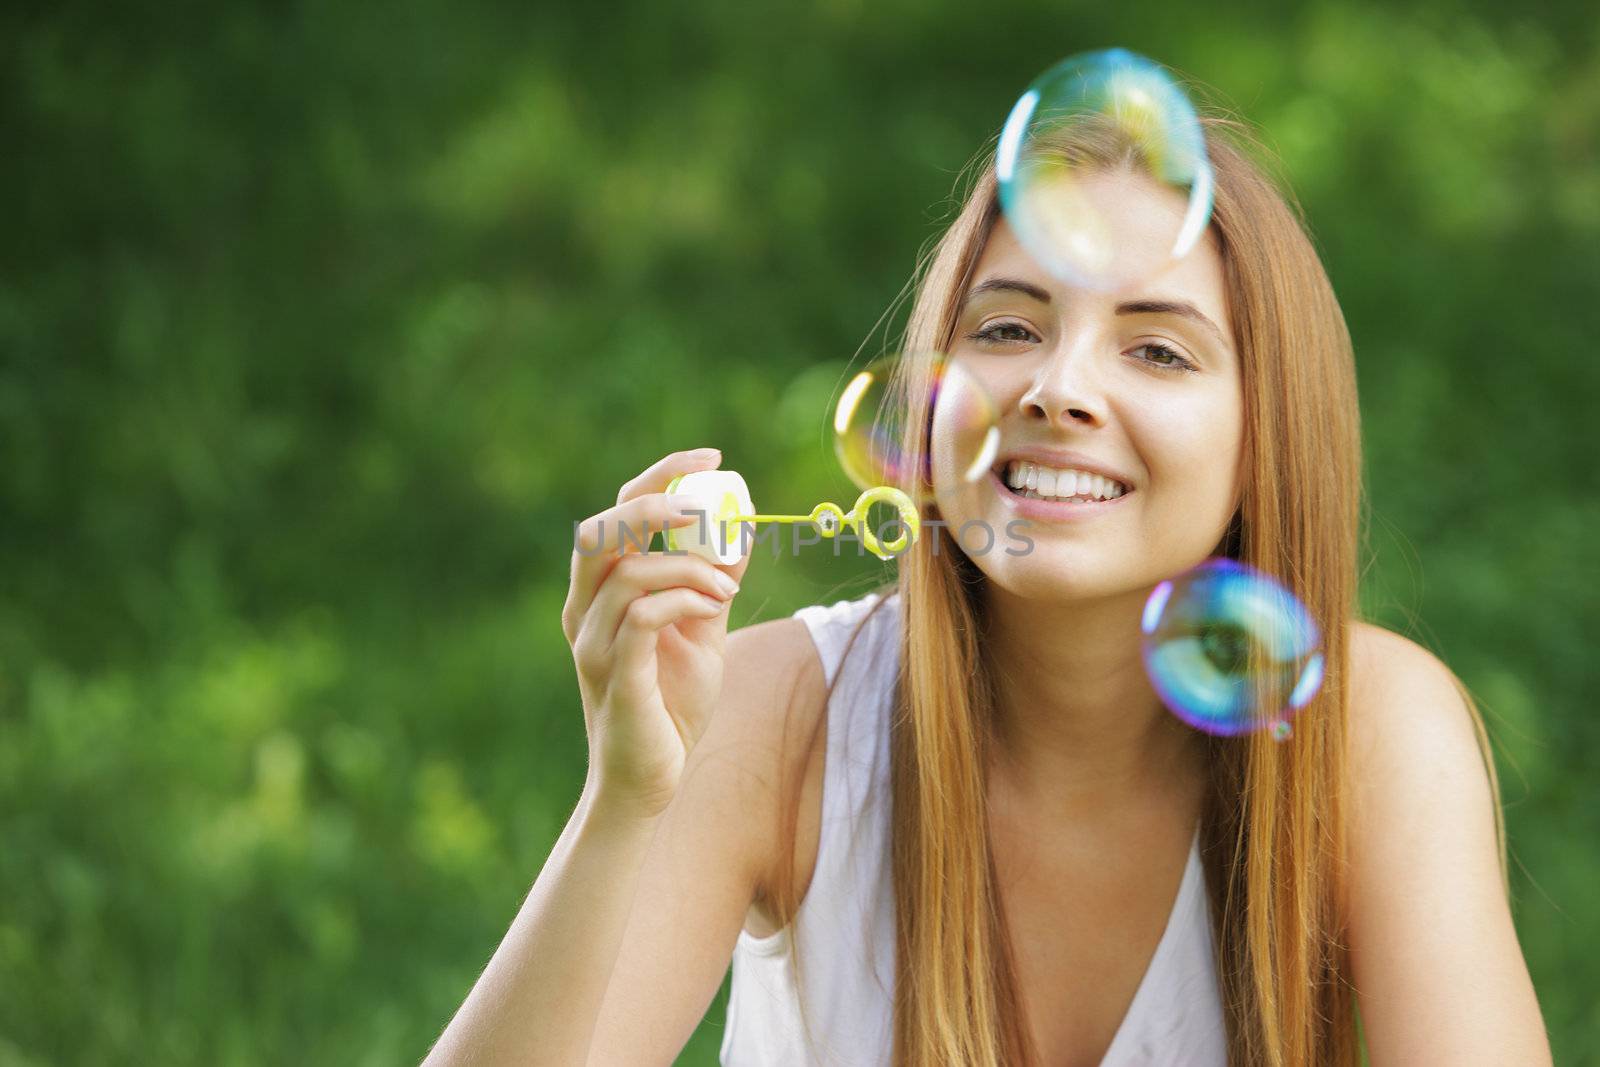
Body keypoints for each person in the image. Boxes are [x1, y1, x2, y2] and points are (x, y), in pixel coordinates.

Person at [422, 111, 1551, 1066]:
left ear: (1266, 433)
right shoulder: (779, 714)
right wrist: (624, 801)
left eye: (1156, 349)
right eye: (1008, 326)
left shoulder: (1367, 735)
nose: (1059, 388)